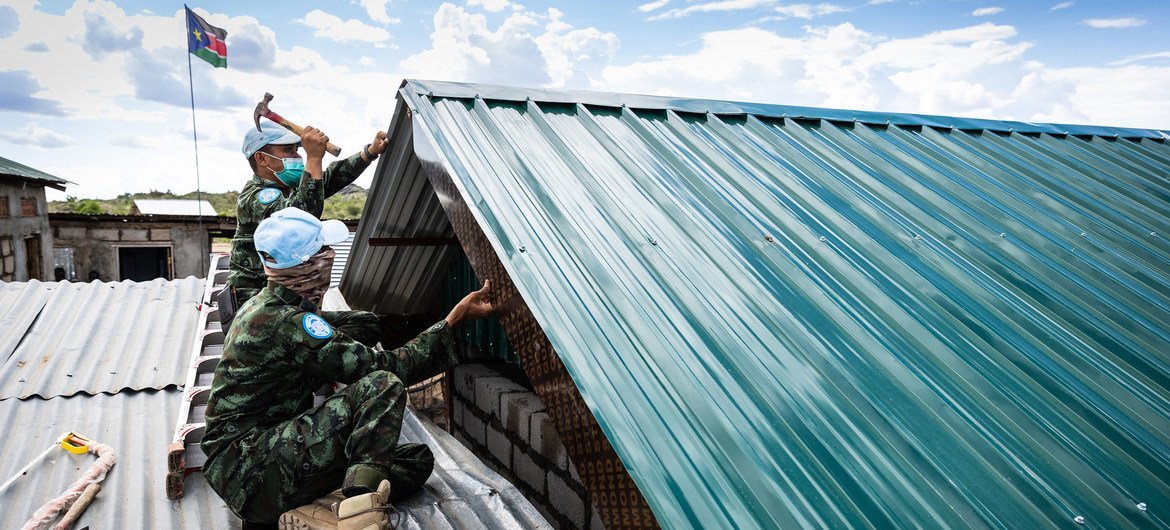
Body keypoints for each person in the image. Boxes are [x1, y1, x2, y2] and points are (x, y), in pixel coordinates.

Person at [200, 207, 495, 529]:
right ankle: (360, 512)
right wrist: (452, 321)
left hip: (254, 461)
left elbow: (352, 328)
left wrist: (372, 325)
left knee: (415, 459)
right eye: (324, 251)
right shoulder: (287, 323)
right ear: (310, 266)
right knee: (381, 383)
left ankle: (322, 510)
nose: (331, 256)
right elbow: (388, 369)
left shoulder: (264, 305)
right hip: (252, 469)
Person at [225, 119, 389, 306]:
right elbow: (302, 219)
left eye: (297, 149)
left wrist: (369, 153)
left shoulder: (287, 186)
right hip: (255, 300)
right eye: (288, 150)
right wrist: (314, 158)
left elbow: (326, 180)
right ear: (261, 158)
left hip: (278, 294)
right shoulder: (256, 197)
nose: (297, 156)